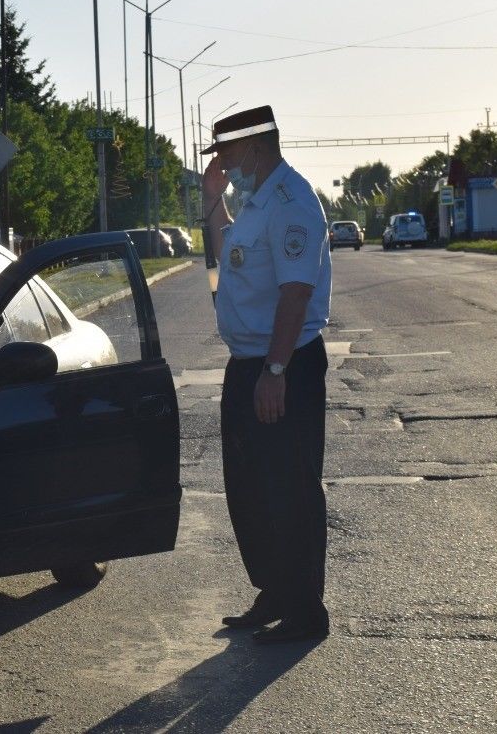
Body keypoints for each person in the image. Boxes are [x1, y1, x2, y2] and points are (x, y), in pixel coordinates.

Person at [200, 105, 333, 643]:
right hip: (248, 364)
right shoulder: (254, 203)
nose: (224, 164)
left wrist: (276, 370)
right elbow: (224, 252)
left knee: (290, 488)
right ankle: (275, 590)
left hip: (286, 365)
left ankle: (305, 612)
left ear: (254, 147)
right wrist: (212, 201)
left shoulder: (291, 202)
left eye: (227, 154)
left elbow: (295, 293)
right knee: (250, 488)